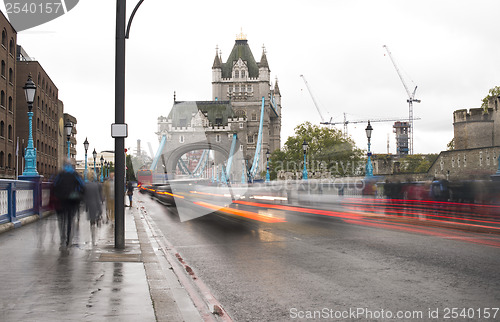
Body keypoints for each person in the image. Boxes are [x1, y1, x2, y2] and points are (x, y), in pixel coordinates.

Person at [53, 160, 85, 249]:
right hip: (72, 200)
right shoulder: (75, 174)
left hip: (61, 200)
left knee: (62, 219)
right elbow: (82, 185)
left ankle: (62, 237)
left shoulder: (60, 174)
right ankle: (68, 239)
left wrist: (58, 195)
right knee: (70, 220)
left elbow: (54, 185)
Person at [84, 172, 102, 246]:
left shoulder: (85, 186)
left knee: (91, 221)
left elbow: (84, 197)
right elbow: (98, 197)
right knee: (95, 219)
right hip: (95, 205)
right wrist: (100, 209)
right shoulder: (96, 185)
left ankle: (93, 237)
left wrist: (86, 207)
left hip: (89, 205)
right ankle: (94, 238)